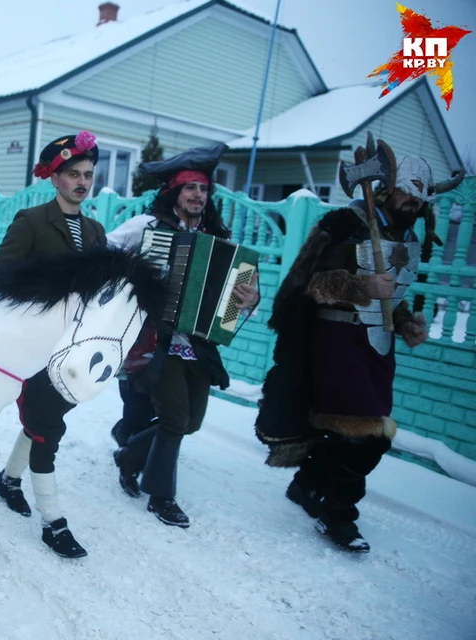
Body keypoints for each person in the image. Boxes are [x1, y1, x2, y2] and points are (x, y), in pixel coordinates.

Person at [256, 151, 461, 553]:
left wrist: (406, 323)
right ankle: (338, 515)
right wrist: (360, 287)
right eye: (407, 196)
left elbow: (392, 295)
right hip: (336, 343)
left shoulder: (406, 237)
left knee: (353, 431)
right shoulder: (345, 225)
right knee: (369, 437)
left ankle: (307, 484)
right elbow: (312, 285)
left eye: (419, 202)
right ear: (387, 191)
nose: (412, 205)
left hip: (377, 348)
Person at [108, 143, 259, 528]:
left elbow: (237, 300)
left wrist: (249, 298)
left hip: (198, 343)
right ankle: (161, 496)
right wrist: (132, 277)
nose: (197, 195)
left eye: (203, 189)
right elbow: (104, 250)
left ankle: (129, 453)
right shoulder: (147, 228)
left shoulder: (219, 239)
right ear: (174, 191)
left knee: (191, 422)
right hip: (155, 340)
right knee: (175, 419)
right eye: (189, 187)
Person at [0, 131, 106, 559]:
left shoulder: (95, 230)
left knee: (42, 422)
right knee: (47, 431)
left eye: (87, 174)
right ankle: (54, 523)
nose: (81, 182)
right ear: (54, 178)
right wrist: (49, 294)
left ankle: (8, 481)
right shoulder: (32, 222)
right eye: (72, 173)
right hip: (37, 347)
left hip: (74, 351)